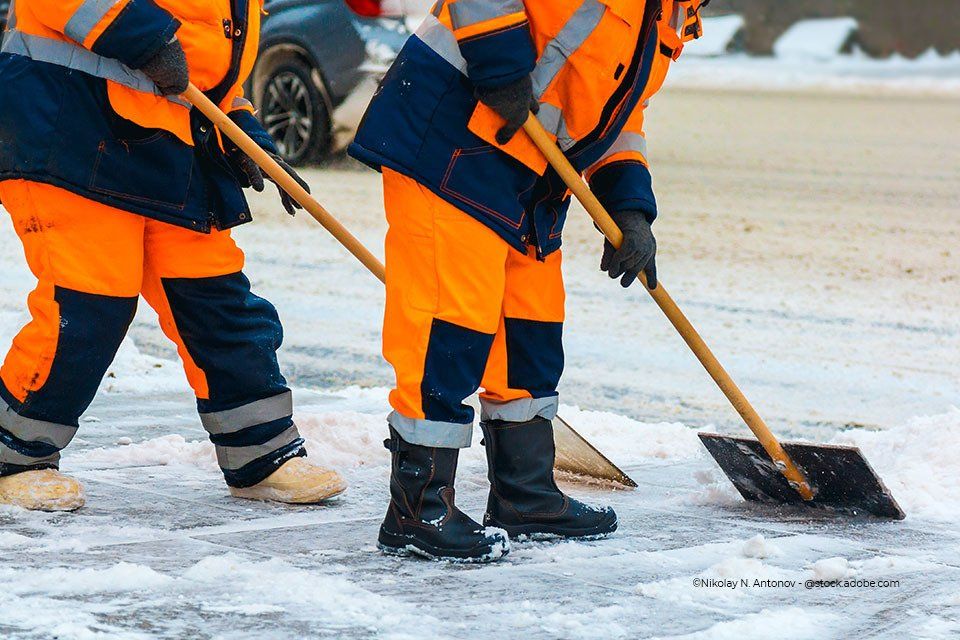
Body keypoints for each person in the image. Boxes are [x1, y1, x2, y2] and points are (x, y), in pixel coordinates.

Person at [349, 0, 709, 561]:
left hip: (530, 172)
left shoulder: (669, 15)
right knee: (450, 324)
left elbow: (615, 114)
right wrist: (500, 61)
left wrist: (629, 206)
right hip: (454, 135)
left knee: (531, 329)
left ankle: (525, 494)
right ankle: (416, 510)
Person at [0, 0, 346, 511]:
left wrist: (250, 140)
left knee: (215, 297)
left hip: (167, 146)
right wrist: (147, 38)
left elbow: (211, 77)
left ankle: (263, 455)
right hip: (69, 128)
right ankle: (16, 456)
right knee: (90, 302)